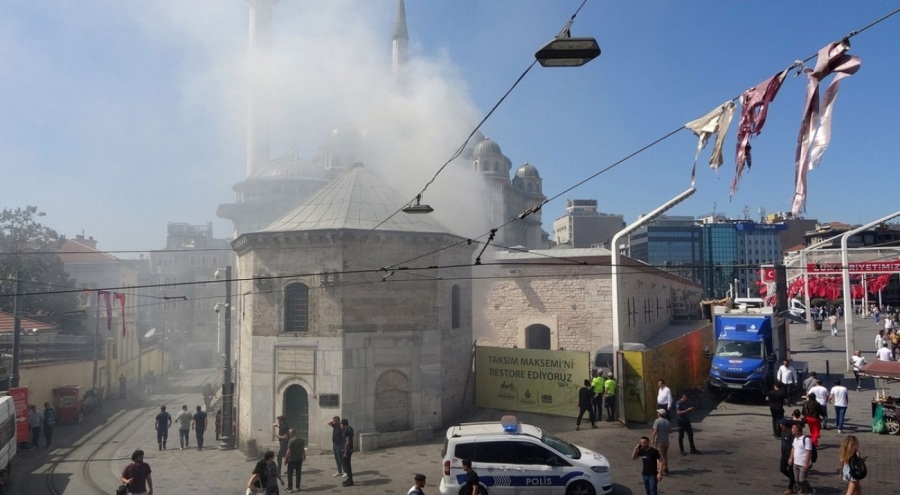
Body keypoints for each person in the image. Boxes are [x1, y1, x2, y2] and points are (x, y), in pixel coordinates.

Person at [788, 423, 814, 494]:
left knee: (802, 480)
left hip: (803, 464)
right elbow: (793, 448)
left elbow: (808, 452)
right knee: (796, 480)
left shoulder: (806, 439)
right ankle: (801, 491)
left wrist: (806, 463)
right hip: (796, 463)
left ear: (798, 431)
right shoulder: (795, 439)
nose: (791, 430)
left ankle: (810, 490)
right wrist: (791, 458)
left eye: (793, 429)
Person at [777, 419, 797, 495]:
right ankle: (794, 480)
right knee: (782, 469)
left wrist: (791, 457)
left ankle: (791, 487)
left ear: (784, 425)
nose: (780, 425)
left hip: (790, 456)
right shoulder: (782, 432)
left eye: (781, 424)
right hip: (784, 455)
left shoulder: (791, 434)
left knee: (791, 472)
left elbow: (794, 446)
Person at [284, 428, 305, 493]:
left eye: (289, 433)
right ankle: (298, 487)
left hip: (292, 460)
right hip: (299, 459)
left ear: (292, 433)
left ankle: (290, 488)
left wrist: (285, 459)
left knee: (290, 474)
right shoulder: (301, 440)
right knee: (298, 473)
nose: (289, 434)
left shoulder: (291, 441)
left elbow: (288, 451)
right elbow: (303, 449)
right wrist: (304, 455)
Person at [650, 408, 671, 474]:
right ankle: (666, 467)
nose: (657, 413)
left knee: (659, 456)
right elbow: (670, 431)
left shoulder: (657, 421)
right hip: (666, 441)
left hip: (659, 441)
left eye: (658, 412)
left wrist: (653, 439)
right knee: (665, 455)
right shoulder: (667, 421)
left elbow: (655, 431)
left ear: (659, 414)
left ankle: (659, 469)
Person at [341, 418, 355, 487]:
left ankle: (350, 481)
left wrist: (345, 452)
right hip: (350, 449)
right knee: (348, 465)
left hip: (347, 450)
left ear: (343, 424)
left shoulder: (347, 430)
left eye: (341, 424)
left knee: (347, 466)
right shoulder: (350, 429)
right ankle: (349, 479)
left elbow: (347, 441)